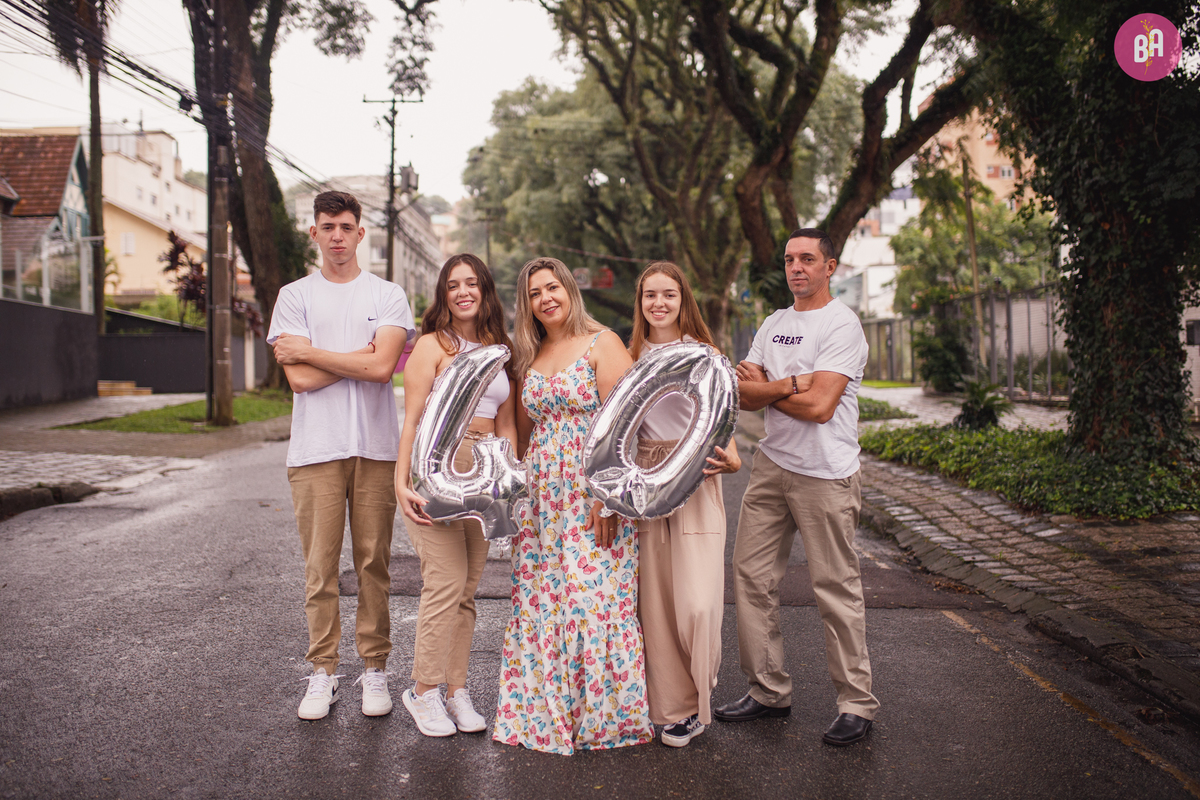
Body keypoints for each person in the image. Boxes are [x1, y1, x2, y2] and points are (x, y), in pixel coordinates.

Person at [713, 228, 878, 747]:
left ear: (830, 267)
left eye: (808, 258)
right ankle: (767, 691)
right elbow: (742, 392)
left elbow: (820, 407)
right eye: (789, 259)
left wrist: (769, 390)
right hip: (772, 465)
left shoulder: (842, 325)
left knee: (834, 587)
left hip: (826, 472)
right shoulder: (775, 322)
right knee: (750, 577)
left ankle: (856, 703)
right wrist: (789, 384)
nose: (796, 267)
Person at [492, 257, 654, 755]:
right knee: (544, 601)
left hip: (592, 494)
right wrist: (513, 492)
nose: (546, 298)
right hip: (542, 502)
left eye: (553, 287)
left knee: (594, 598)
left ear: (569, 289)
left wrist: (607, 501)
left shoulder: (602, 342)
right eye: (535, 292)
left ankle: (603, 720)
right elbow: (521, 431)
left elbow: (628, 424)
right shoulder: (531, 353)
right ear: (528, 303)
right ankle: (542, 717)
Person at [267, 190, 415, 721]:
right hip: (314, 451)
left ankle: (374, 669)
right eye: (327, 226)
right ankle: (324, 672)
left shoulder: (389, 295)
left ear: (359, 233)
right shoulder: (294, 296)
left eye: (345, 226)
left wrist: (313, 349)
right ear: (314, 233)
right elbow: (301, 379)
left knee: (373, 564)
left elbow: (384, 370)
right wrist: (364, 355)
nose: (336, 235)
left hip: (376, 449)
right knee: (320, 568)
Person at [394, 253, 518, 738]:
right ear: (444, 294)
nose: (463, 291)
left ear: (485, 290)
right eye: (454, 285)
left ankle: (456, 688)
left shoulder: (499, 348)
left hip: (485, 469)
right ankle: (422, 691)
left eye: (472, 283)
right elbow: (411, 419)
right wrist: (402, 482)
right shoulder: (433, 345)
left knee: (467, 591)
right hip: (437, 466)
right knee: (444, 583)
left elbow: (506, 425)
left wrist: (505, 491)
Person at [627, 261, 741, 748]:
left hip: (694, 475)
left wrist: (730, 460)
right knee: (655, 601)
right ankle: (675, 709)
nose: (659, 303)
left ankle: (702, 687)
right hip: (646, 479)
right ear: (641, 302)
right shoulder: (628, 355)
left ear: (682, 300)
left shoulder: (705, 355)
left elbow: (725, 427)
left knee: (698, 601)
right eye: (650, 295)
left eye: (668, 295)